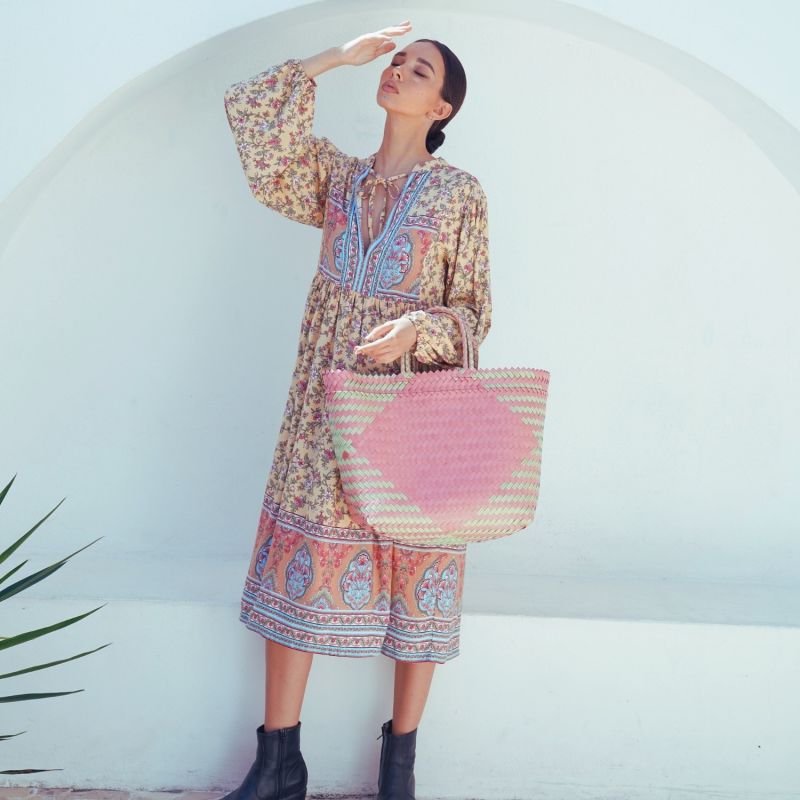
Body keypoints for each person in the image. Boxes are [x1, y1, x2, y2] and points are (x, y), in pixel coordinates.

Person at [221, 20, 492, 800]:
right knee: (293, 564)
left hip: (414, 406)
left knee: (420, 568)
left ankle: (399, 766)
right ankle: (278, 764)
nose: (401, 70)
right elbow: (253, 119)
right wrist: (336, 59)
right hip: (325, 404)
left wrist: (419, 328)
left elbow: (474, 310)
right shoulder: (336, 180)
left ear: (443, 108)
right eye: (398, 61)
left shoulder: (459, 195)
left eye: (420, 69)